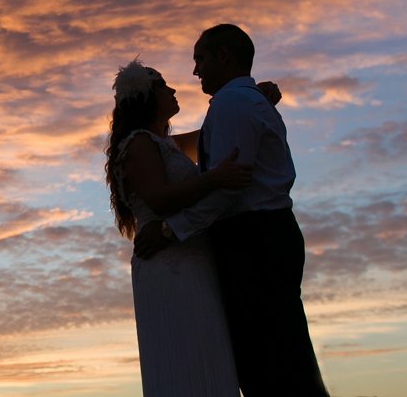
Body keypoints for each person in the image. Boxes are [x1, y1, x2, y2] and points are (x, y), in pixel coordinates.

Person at [135, 24, 329, 396]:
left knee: (272, 361)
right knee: (276, 354)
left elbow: (227, 190)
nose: (195, 72)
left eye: (200, 59)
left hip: (252, 239)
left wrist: (168, 231)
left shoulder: (233, 105)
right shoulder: (238, 104)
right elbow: (203, 163)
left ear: (224, 56)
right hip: (259, 236)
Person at [106, 58, 251, 396]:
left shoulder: (162, 143)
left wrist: (251, 99)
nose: (172, 90)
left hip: (190, 256)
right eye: (162, 86)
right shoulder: (140, 143)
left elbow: (210, 137)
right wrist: (215, 179)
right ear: (145, 98)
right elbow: (159, 199)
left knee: (205, 352)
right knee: (184, 354)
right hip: (170, 262)